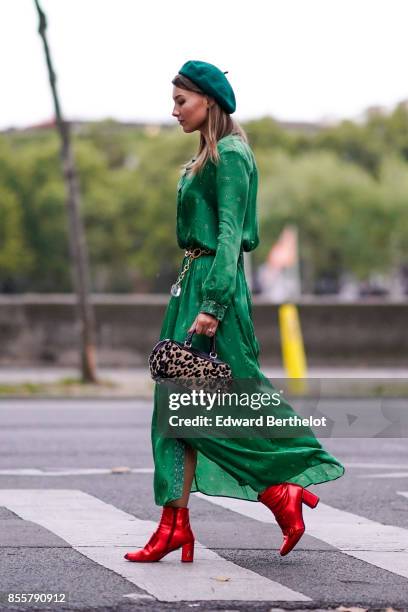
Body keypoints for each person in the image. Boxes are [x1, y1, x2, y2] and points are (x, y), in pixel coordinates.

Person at [124, 60, 345, 564]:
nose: (174, 109)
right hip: (191, 288)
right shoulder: (208, 156)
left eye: (181, 100)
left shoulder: (232, 155)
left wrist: (213, 306)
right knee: (173, 411)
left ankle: (280, 487)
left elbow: (229, 238)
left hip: (212, 294)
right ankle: (175, 524)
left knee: (232, 400)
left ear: (208, 100)